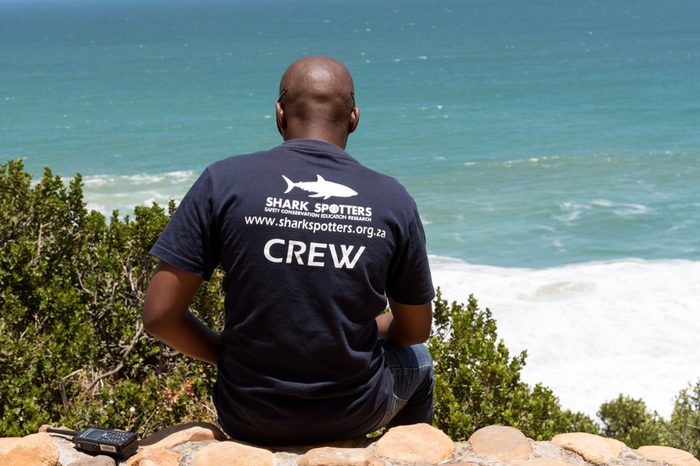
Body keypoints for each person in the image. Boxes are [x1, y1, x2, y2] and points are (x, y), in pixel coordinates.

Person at [142, 56, 435, 445]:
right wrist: (364, 328)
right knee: (421, 362)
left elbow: (160, 316)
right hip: (351, 412)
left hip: (246, 413)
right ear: (354, 118)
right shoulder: (391, 198)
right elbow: (414, 330)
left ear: (279, 114)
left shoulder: (223, 180)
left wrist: (228, 355)